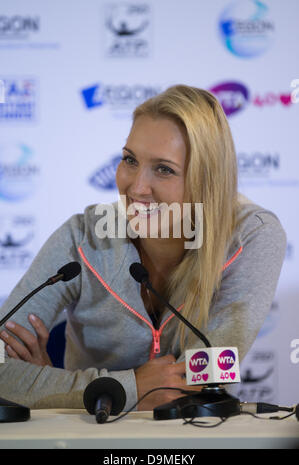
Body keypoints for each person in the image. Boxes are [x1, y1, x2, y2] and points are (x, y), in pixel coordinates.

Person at [0, 85, 286, 412]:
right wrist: (127, 387)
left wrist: (55, 388)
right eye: (130, 160)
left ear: (206, 181)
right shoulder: (82, 238)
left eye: (164, 169)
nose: (136, 187)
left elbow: (204, 379)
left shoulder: (251, 237)